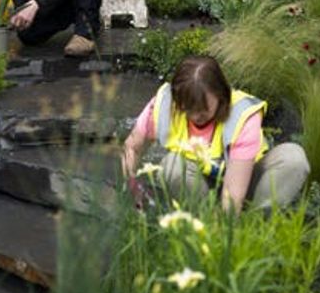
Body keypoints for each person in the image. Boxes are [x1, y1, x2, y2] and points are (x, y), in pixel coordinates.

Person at [121, 55, 310, 212]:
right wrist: (133, 186)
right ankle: (201, 226)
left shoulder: (242, 115)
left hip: (245, 184)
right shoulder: (164, 105)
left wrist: (227, 236)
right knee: (172, 165)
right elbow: (132, 147)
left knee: (293, 158)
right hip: (199, 190)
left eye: (203, 109)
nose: (196, 116)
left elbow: (233, 194)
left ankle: (256, 227)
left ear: (221, 95)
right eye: (188, 108)